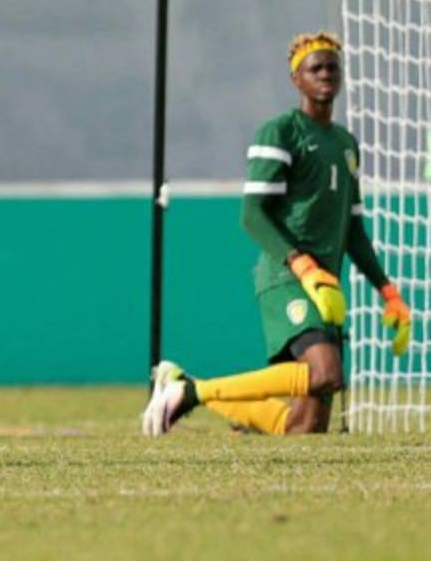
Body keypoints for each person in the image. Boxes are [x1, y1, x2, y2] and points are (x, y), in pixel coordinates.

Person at [142, 32, 412, 436]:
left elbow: (353, 230)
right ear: (296, 79)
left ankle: (203, 394)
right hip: (288, 278)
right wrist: (302, 265)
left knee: (305, 428)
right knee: (326, 373)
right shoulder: (281, 132)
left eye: (332, 67)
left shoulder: (345, 144)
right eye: (315, 68)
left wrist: (387, 291)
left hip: (327, 287)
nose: (325, 74)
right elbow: (252, 214)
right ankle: (192, 393)